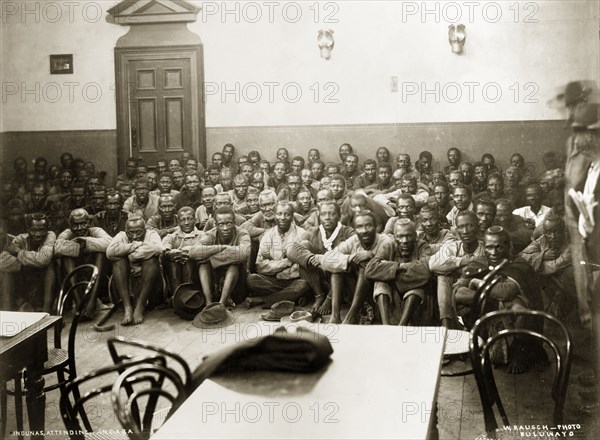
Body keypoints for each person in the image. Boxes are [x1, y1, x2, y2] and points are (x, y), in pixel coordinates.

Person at [453, 226, 546, 373]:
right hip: (488, 312)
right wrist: (490, 297)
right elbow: (458, 293)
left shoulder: (518, 265)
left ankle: (519, 353)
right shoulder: (478, 263)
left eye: (499, 247)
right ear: (484, 247)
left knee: (515, 304)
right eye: (489, 247)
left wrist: (477, 283)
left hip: (512, 317)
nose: (494, 252)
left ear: (508, 246)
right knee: (504, 302)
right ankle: (483, 346)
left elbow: (506, 292)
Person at [320, 210, 395, 324]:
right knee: (337, 269)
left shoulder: (386, 242)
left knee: (365, 265)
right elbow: (326, 260)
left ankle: (351, 315)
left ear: (376, 227)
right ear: (355, 229)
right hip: (356, 292)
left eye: (368, 226)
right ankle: (335, 316)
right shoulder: (354, 240)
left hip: (378, 293)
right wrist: (350, 258)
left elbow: (384, 270)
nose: (364, 231)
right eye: (359, 227)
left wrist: (371, 256)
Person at [288, 201, 355, 315]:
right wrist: (314, 260)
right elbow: (292, 251)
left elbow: (352, 259)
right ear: (319, 216)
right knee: (304, 246)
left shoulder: (348, 232)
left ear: (339, 216)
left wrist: (326, 261)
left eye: (332, 214)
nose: (327, 218)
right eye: (324, 214)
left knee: (340, 260)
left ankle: (329, 299)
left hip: (342, 283)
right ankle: (319, 295)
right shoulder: (313, 232)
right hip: (320, 280)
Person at [366, 219, 434, 325]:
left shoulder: (422, 246)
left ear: (415, 236)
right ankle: (386, 326)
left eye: (409, 236)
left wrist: (389, 274)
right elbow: (370, 269)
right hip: (392, 304)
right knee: (380, 284)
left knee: (416, 288)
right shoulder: (389, 246)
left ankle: (402, 326)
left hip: (416, 310)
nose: (405, 240)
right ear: (394, 236)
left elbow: (426, 272)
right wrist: (400, 266)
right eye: (400, 236)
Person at [245, 202, 310, 308]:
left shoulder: (301, 234)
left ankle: (261, 300)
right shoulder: (268, 235)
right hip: (273, 280)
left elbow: (301, 267)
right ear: (275, 216)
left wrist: (281, 271)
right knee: (251, 280)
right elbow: (260, 266)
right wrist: (286, 262)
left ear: (292, 216)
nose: (283, 218)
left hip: (293, 280)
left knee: (303, 285)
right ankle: (289, 297)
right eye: (279, 214)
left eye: (287, 214)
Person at [429, 210, 485, 329]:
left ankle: (450, 325)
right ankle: (446, 325)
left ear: (477, 227)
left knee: (445, 274)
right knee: (443, 277)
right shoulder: (453, 246)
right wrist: (462, 261)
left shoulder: (485, 247)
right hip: (453, 291)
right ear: (456, 230)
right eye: (461, 227)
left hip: (471, 291)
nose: (465, 231)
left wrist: (453, 267)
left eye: (469, 226)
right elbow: (433, 264)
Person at [54, 208, 111, 319]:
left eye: (83, 224)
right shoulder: (67, 233)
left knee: (100, 253)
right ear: (70, 225)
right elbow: (57, 248)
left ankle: (92, 301)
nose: (79, 228)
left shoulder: (96, 230)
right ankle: (78, 302)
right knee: (67, 257)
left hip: (96, 280)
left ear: (89, 223)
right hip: (75, 280)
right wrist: (80, 246)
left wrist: (84, 242)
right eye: (75, 225)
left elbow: (109, 243)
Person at [106, 215, 164, 325]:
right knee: (118, 261)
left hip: (152, 287)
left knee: (151, 259)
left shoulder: (151, 234)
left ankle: (140, 306)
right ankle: (128, 307)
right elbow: (110, 252)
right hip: (125, 286)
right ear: (126, 230)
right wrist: (134, 246)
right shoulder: (121, 235)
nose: (134, 236)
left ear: (145, 230)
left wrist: (132, 255)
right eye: (130, 233)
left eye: (138, 232)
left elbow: (159, 248)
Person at [189, 207, 251, 306]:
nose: (225, 228)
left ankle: (221, 304)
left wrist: (210, 255)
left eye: (229, 223)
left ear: (234, 222)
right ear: (215, 224)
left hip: (236, 286)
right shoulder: (211, 234)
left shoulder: (242, 233)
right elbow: (193, 252)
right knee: (203, 264)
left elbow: (243, 253)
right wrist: (221, 247)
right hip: (214, 282)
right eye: (221, 224)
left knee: (233, 266)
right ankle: (208, 303)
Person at [519, 214, 575, 320]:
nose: (552, 236)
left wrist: (535, 264)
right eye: (549, 232)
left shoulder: (571, 245)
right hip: (549, 284)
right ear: (544, 232)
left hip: (569, 287)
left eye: (557, 232)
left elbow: (555, 266)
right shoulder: (543, 239)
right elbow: (522, 256)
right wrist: (542, 256)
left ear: (564, 231)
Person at [0, 213, 56, 312]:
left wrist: (18, 252)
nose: (38, 234)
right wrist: (29, 265)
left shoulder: (50, 236)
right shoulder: (20, 239)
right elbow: (3, 260)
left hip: (43, 281)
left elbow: (44, 259)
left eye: (42, 230)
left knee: (51, 266)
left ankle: (47, 310)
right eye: (34, 230)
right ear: (28, 230)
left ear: (47, 229)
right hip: (25, 279)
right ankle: (6, 311)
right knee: (6, 272)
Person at [162, 206, 205, 299]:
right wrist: (173, 253)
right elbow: (164, 247)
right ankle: (177, 296)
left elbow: (205, 247)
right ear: (178, 222)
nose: (186, 223)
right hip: (176, 269)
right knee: (172, 261)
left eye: (190, 219)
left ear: (195, 220)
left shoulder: (202, 235)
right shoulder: (172, 236)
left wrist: (190, 252)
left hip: (195, 272)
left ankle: (190, 296)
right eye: (183, 220)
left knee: (189, 261)